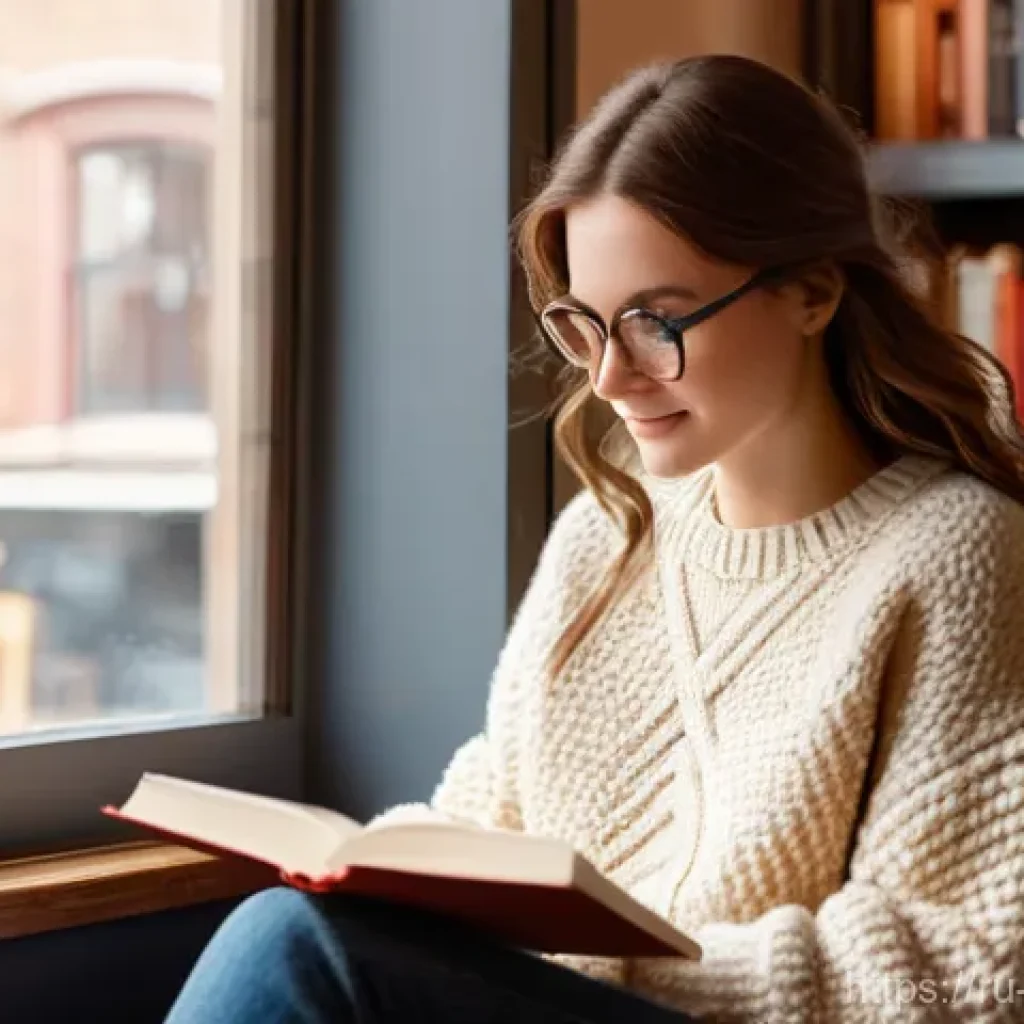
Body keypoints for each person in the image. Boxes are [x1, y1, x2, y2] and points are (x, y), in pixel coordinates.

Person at [167, 55, 1024, 1023]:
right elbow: (487, 820)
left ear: (812, 294)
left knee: (292, 949)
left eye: (656, 322)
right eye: (584, 324)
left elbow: (975, 972)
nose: (609, 379)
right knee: (293, 922)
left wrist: (626, 964)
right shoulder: (605, 537)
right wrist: (366, 870)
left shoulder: (956, 551)